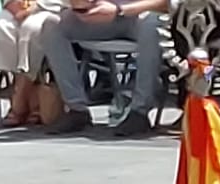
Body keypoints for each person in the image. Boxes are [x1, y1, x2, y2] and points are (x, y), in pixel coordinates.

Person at [43, 0, 172, 136]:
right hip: (102, 15)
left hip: (140, 16)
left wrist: (120, 10)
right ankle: (77, 109)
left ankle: (140, 111)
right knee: (52, 24)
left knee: (152, 24)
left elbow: (170, 3)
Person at [0, 0, 63, 126]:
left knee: (31, 29)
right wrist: (13, 4)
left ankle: (19, 99)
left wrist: (36, 6)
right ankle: (32, 97)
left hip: (50, 7)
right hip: (17, 6)